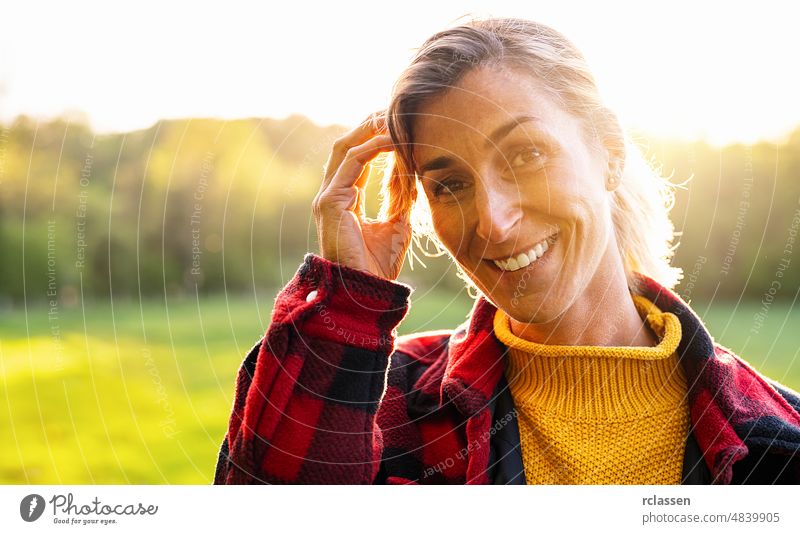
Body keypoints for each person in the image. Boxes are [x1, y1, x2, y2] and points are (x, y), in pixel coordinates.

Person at [214, 16, 800, 484]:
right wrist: (346, 311)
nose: (492, 223)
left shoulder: (778, 439)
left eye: (526, 156)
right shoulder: (382, 402)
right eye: (449, 185)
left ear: (610, 154)